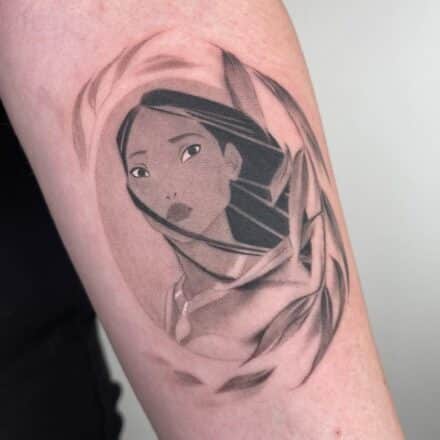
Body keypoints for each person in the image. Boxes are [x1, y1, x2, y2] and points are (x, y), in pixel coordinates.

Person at [0, 2, 404, 439]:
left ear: (231, 160)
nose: (168, 187)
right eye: (141, 172)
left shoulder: (290, 287)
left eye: (189, 151)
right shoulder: (181, 308)